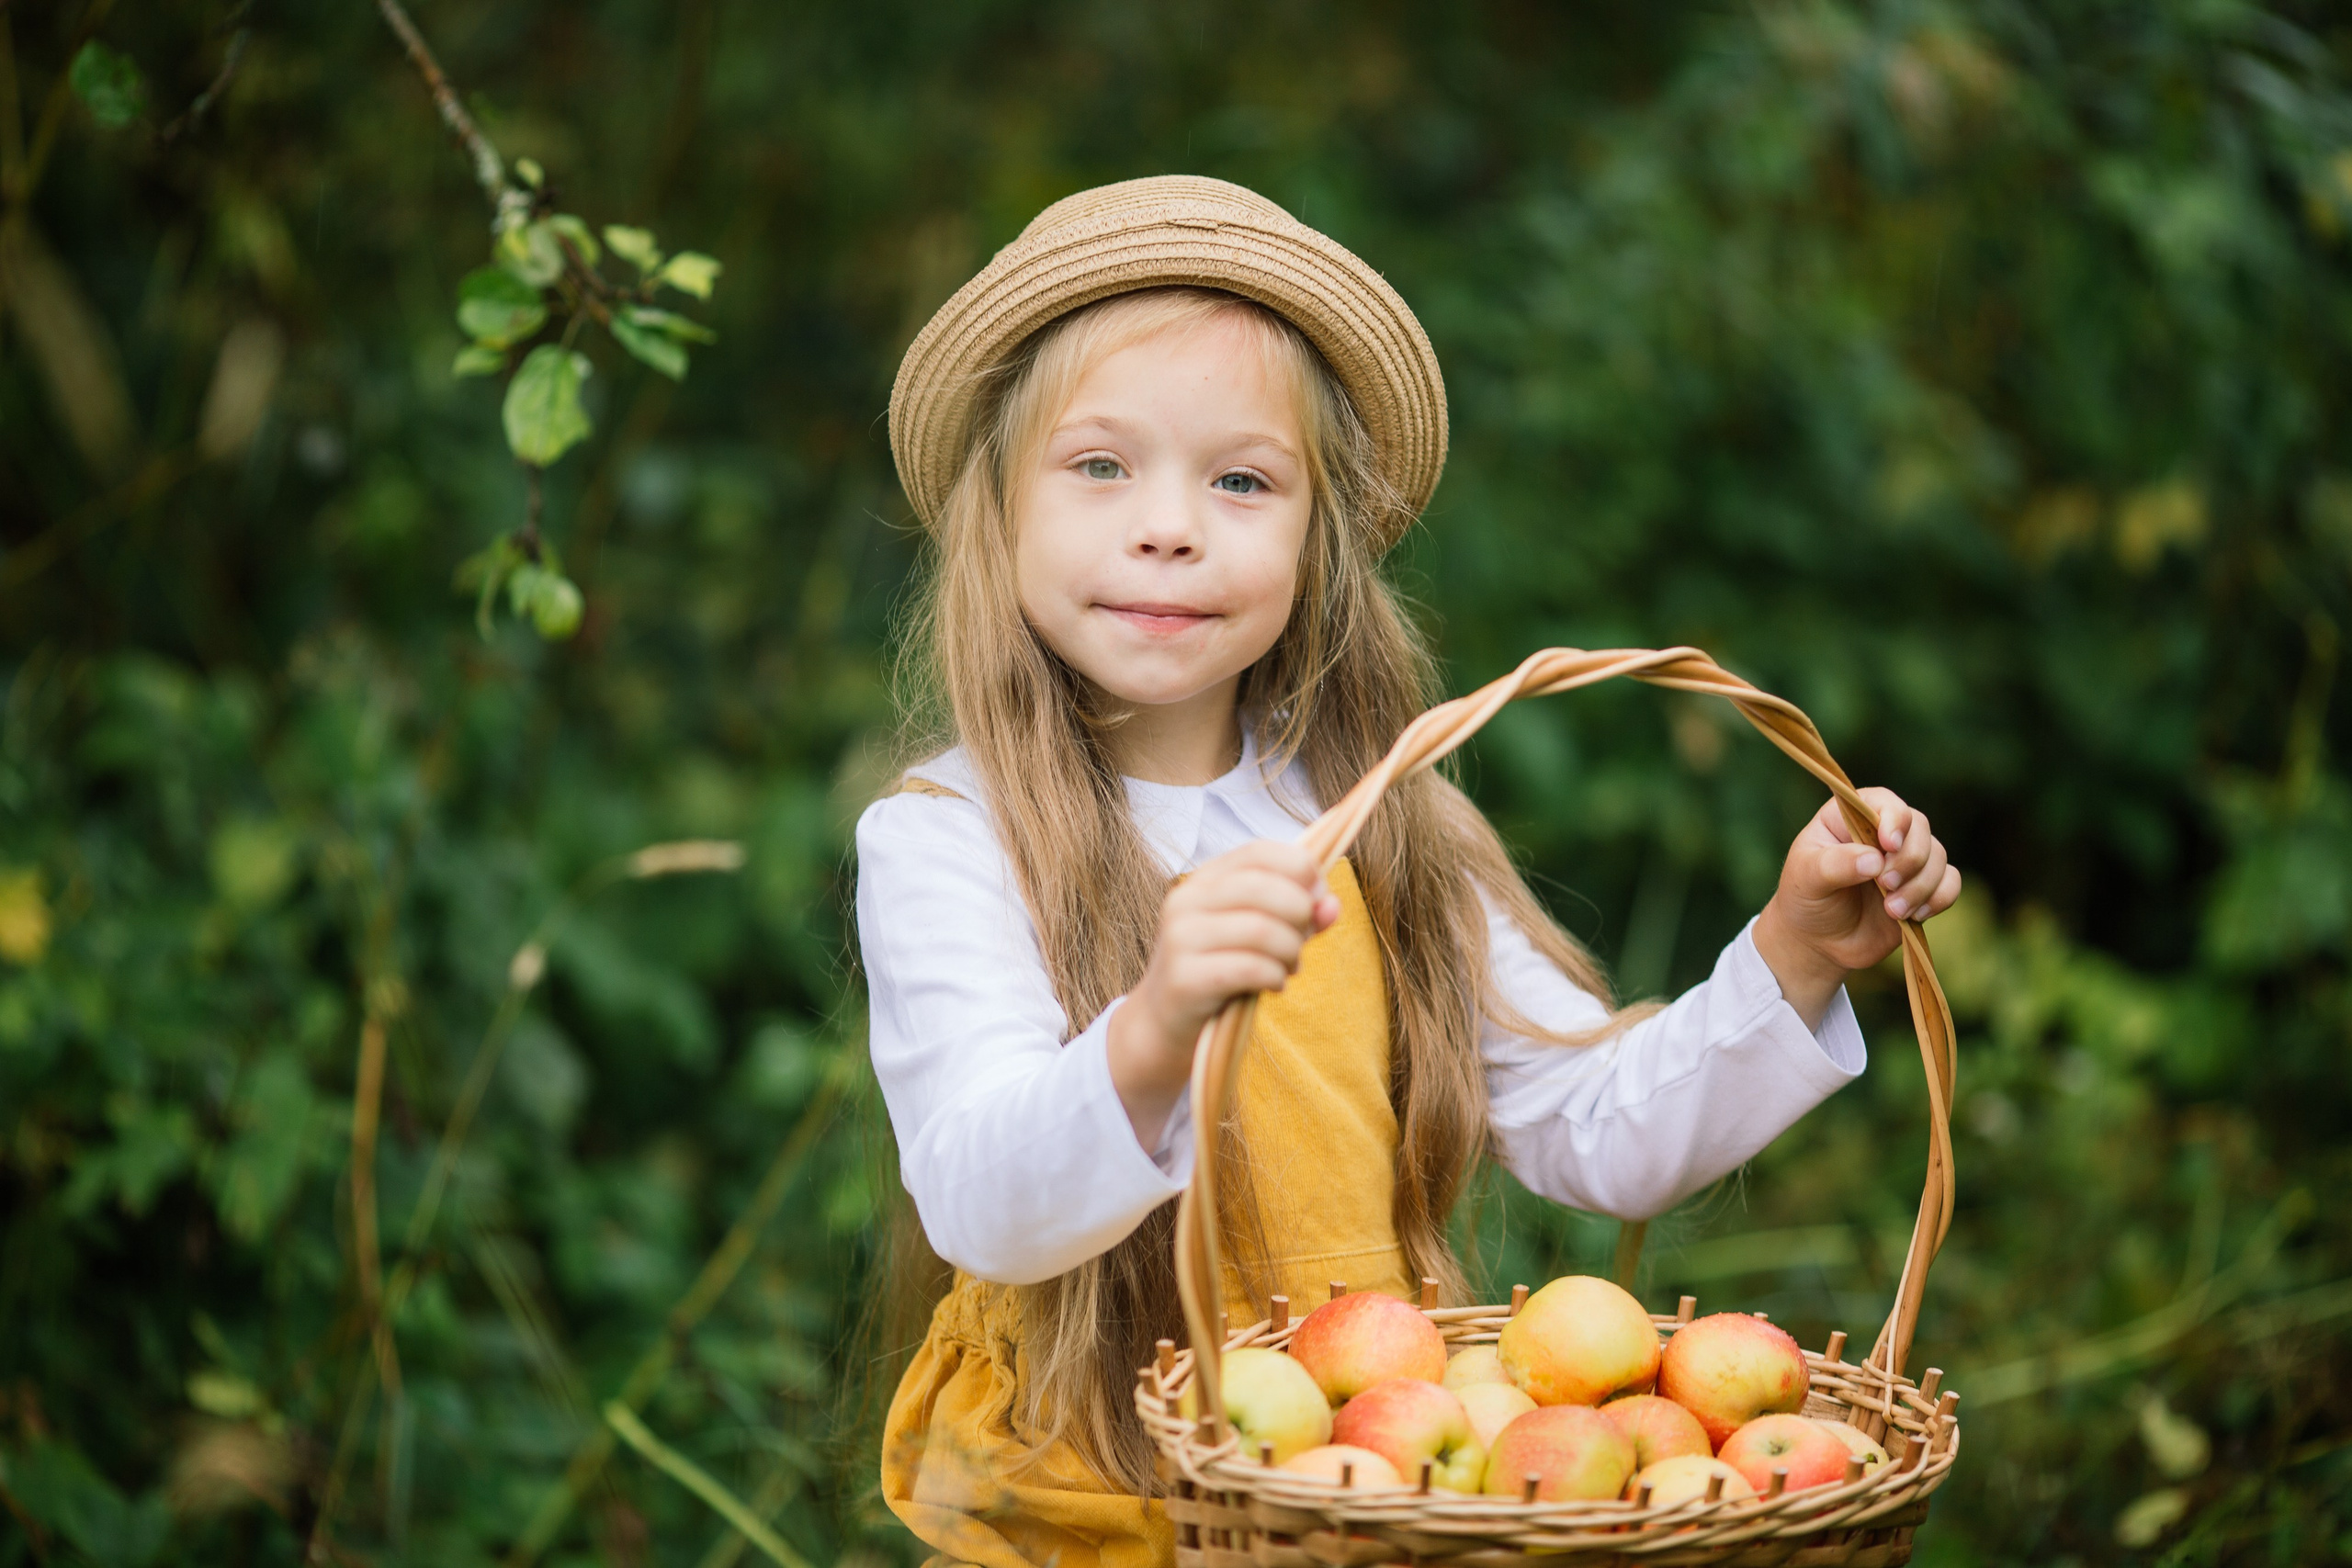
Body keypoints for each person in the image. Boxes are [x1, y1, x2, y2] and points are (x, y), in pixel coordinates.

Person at [858, 176, 1959, 1568]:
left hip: (1366, 1472)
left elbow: (1596, 1128)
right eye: (1099, 466)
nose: (1170, 525)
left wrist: (1797, 949)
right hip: (1087, 1477)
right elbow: (983, 1204)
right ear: (998, 512)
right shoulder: (952, 834)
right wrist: (1152, 1031)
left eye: (1242, 479)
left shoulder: (1384, 821)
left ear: (1318, 540)